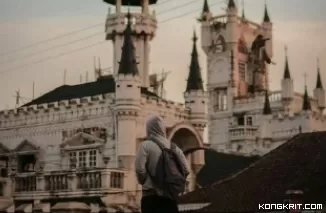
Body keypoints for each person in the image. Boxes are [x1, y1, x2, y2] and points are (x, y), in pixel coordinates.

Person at [135, 115, 190, 213]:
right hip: (171, 198)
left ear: (149, 129)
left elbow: (140, 169)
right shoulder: (175, 148)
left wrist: (144, 181)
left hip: (151, 197)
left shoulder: (145, 145)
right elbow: (186, 170)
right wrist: (174, 182)